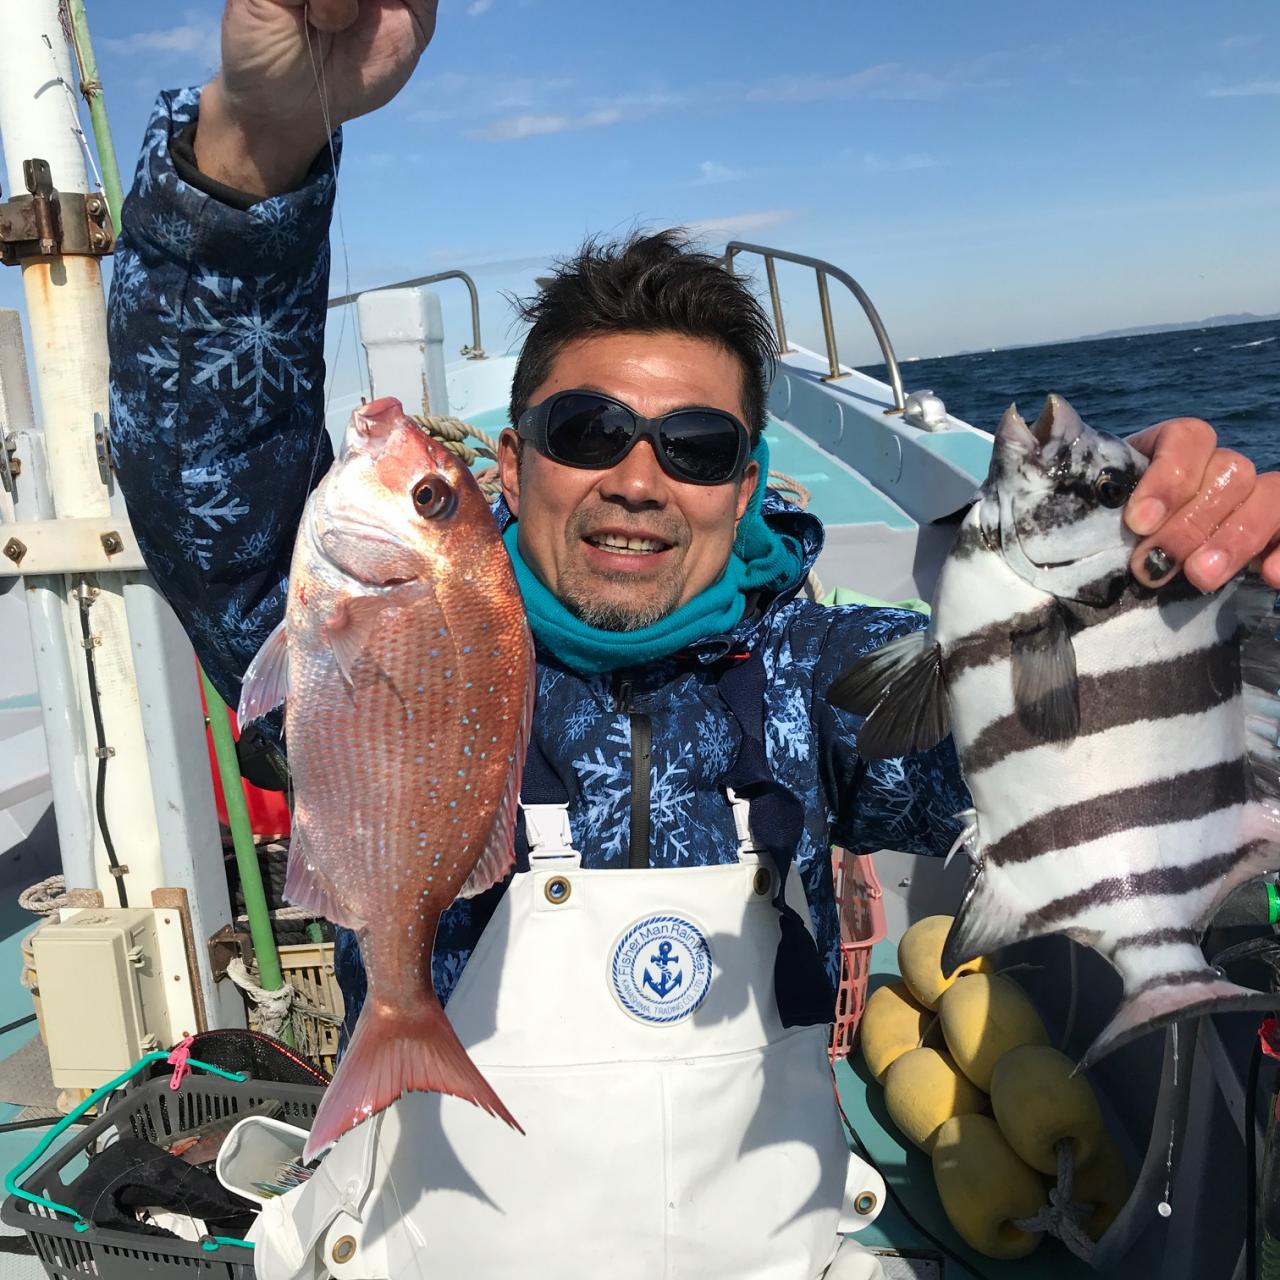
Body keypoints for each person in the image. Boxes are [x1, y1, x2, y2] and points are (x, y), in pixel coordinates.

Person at [106, 2, 1280, 1276]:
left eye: (696, 446)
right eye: (587, 431)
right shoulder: (388, 640)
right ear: (512, 461)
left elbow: (1072, 746)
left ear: (744, 483)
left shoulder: (827, 676)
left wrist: (1158, 589)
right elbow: (201, 470)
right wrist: (261, 136)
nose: (636, 478)